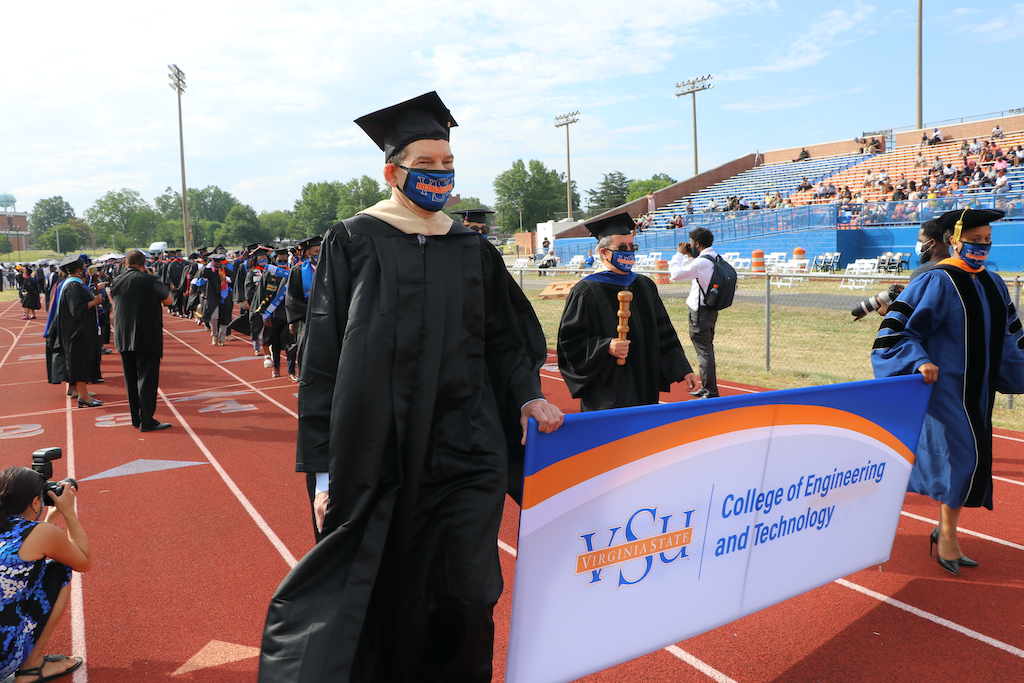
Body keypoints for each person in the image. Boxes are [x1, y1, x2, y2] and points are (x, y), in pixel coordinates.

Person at [259, 91, 563, 683]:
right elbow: (323, 361)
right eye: (426, 165)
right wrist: (323, 473)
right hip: (380, 455)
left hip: (467, 449)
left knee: (468, 594)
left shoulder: (471, 247)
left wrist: (526, 393)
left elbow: (506, 337)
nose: (440, 176)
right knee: (383, 592)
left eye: (448, 165)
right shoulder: (353, 241)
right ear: (391, 170)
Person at [872, 208, 1024, 576]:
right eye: (974, 241)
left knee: (970, 461)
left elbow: (1011, 337)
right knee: (958, 459)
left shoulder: (995, 283)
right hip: (945, 389)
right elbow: (896, 331)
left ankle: (944, 530)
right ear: (955, 241)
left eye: (987, 242)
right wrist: (918, 359)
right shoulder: (937, 281)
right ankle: (947, 536)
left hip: (979, 389)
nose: (981, 248)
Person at [556, 212, 697, 411]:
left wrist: (683, 369)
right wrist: (606, 346)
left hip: (644, 381)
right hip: (608, 388)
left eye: (632, 247)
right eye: (622, 248)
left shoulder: (645, 286)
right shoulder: (586, 291)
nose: (628, 252)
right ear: (604, 252)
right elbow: (570, 342)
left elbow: (664, 332)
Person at [0, 467, 91, 682]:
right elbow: (84, 561)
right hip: (2, 657)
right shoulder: (40, 533)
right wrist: (67, 511)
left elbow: (29, 552)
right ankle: (32, 666)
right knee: (59, 570)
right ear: (35, 503)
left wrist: (49, 518)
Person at [109, 249, 174, 432]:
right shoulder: (150, 280)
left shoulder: (117, 281)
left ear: (125, 263)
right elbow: (169, 300)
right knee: (146, 378)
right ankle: (147, 420)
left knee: (130, 378)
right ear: (144, 263)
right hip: (146, 334)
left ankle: (136, 418)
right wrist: (152, 277)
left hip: (123, 335)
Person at [669, 227, 721, 398]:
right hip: (710, 310)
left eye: (691, 244)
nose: (688, 246)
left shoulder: (702, 262)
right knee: (706, 350)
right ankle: (708, 388)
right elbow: (698, 274)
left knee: (704, 352)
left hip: (700, 312)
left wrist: (679, 254)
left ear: (697, 244)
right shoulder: (714, 257)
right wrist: (690, 256)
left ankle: (710, 391)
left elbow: (676, 275)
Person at [48, 256, 103, 408]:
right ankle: (84, 396)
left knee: (78, 362)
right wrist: (94, 302)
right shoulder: (73, 286)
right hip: (76, 332)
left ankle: (80, 391)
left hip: (74, 331)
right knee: (79, 362)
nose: (86, 270)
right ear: (79, 271)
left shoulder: (72, 284)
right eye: (84, 268)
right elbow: (76, 309)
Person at [253, 248, 296, 380]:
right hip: (274, 313)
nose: (282, 263)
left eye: (284, 261)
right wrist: (264, 314)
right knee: (275, 343)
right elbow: (262, 295)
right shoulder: (267, 275)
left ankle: (291, 372)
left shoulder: (293, 273)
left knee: (291, 343)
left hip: (289, 313)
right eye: (279, 261)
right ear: (274, 260)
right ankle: (276, 367)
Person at [285, 235, 322, 378]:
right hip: (306, 317)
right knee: (306, 349)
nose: (319, 254)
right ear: (307, 253)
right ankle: (306, 379)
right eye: (316, 251)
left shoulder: (329, 269)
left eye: (321, 250)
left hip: (327, 316)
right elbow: (292, 298)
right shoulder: (298, 271)